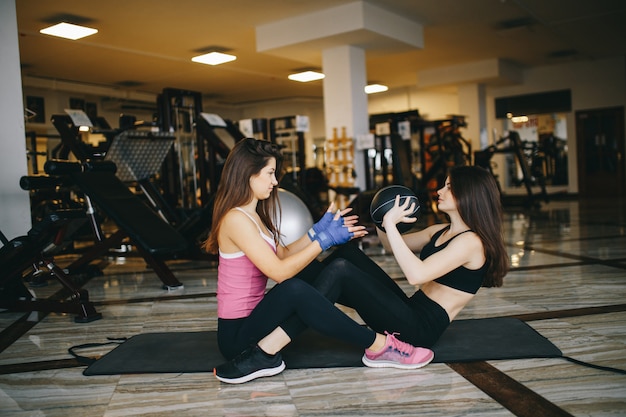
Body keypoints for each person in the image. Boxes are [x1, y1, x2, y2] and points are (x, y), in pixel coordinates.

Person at [222, 164, 509, 381]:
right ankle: (311, 300)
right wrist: (384, 219)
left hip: (419, 330)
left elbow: (416, 274)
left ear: (468, 195)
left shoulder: (472, 243)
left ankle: (306, 312)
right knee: (345, 255)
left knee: (342, 270)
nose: (440, 191)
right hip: (409, 309)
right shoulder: (440, 231)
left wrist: (394, 225)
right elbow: (391, 245)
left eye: (449, 187)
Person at [204, 138, 435, 384]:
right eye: (270, 173)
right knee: (293, 287)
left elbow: (282, 254)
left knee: (331, 270)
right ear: (249, 173)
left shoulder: (255, 215)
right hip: (237, 336)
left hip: (259, 323)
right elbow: (279, 273)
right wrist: (322, 241)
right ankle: (380, 345)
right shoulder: (235, 219)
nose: (275, 181)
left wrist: (316, 232)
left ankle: (266, 353)